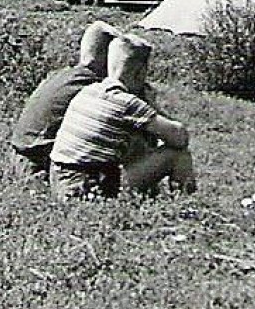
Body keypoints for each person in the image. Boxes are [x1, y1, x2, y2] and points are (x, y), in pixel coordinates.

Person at [49, 35, 196, 200]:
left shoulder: (88, 91)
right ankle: (184, 206)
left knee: (134, 142)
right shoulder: (126, 103)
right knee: (177, 155)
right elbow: (179, 137)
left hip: (60, 182)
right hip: (86, 188)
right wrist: (152, 104)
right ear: (140, 73)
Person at [9, 21, 120, 180]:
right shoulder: (92, 87)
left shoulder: (60, 75)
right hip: (38, 165)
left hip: (20, 156)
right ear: (108, 57)